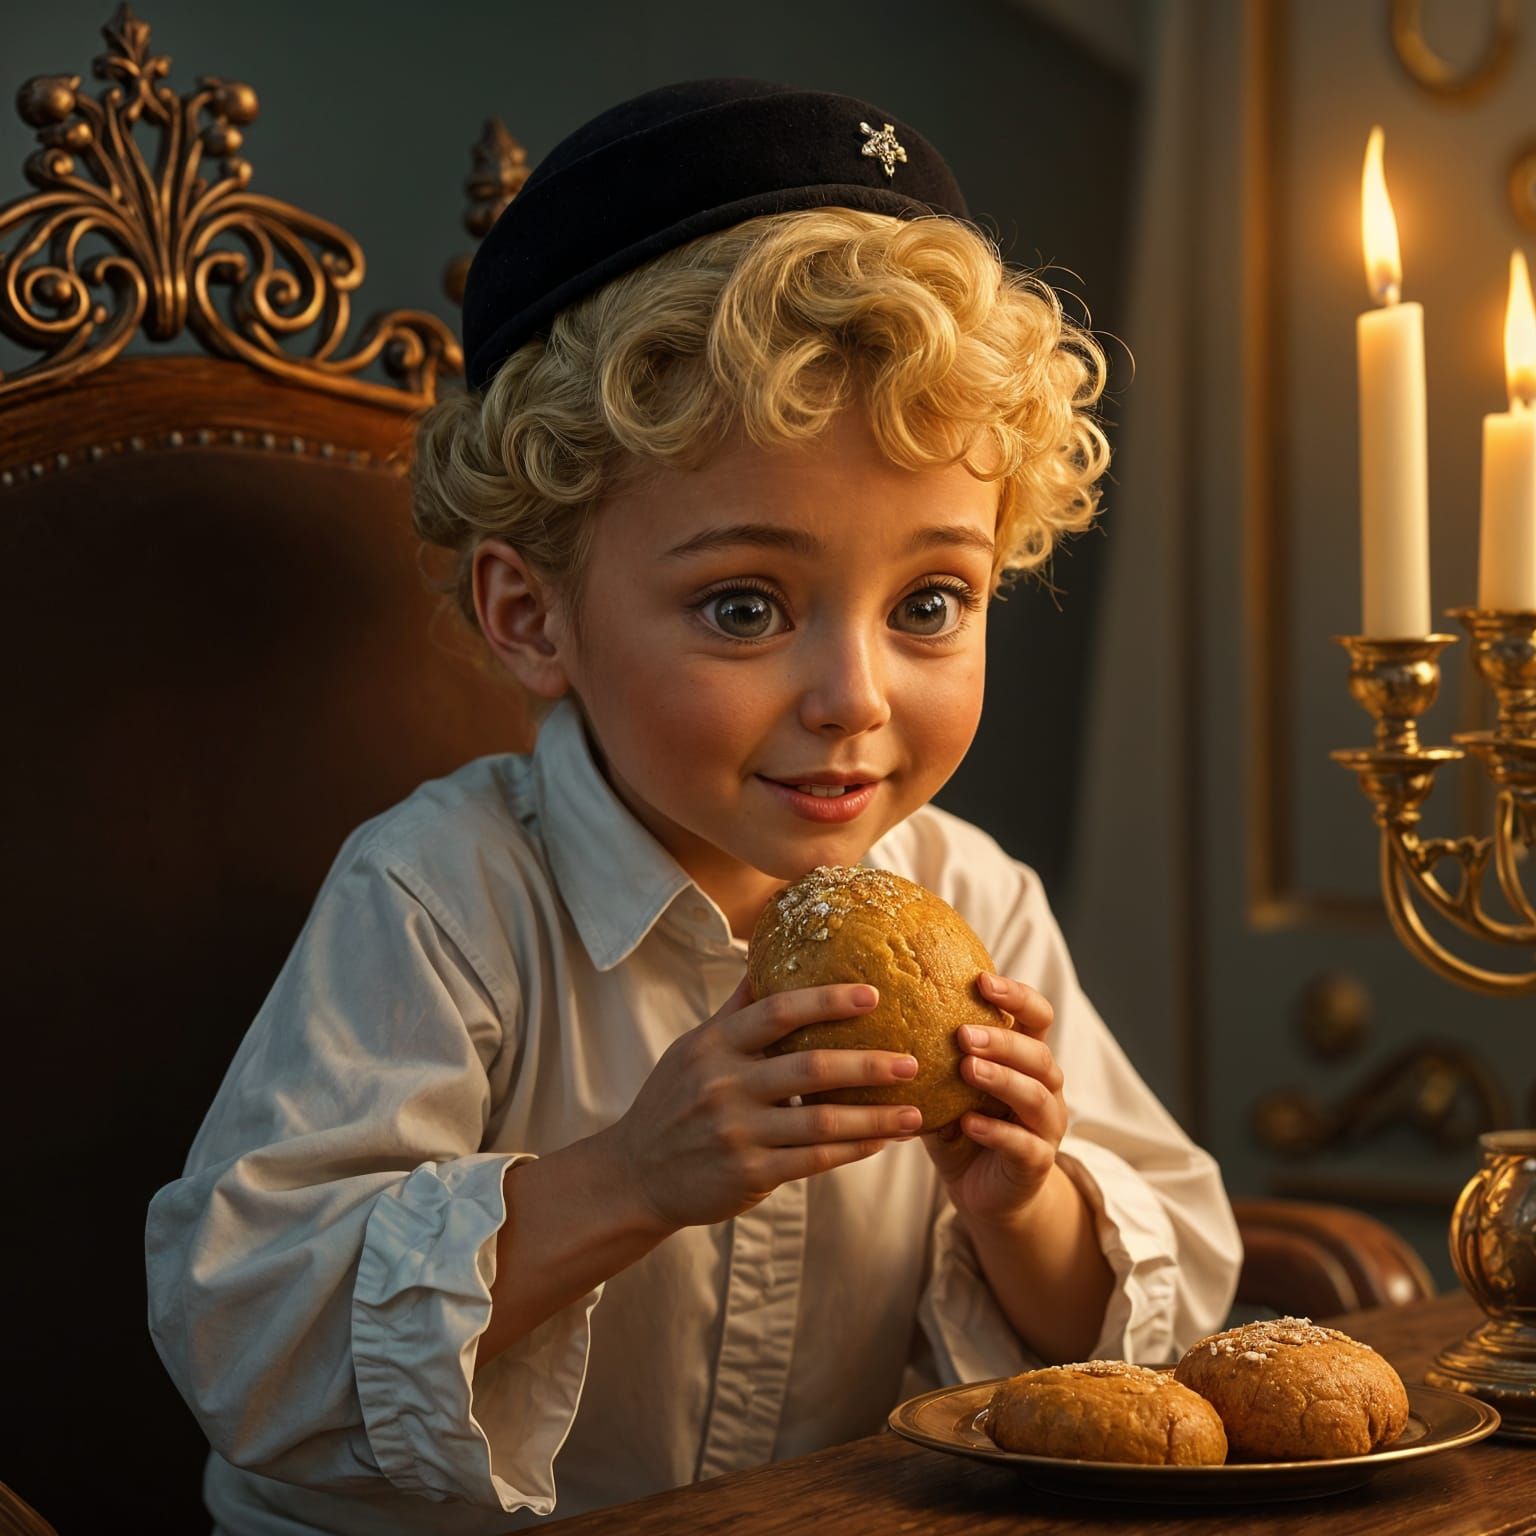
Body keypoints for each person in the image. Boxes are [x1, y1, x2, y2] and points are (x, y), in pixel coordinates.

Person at [146, 77, 1242, 1536]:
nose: (853, 697)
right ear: (531, 615)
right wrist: (629, 1177)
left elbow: (1154, 1328)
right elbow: (251, 1337)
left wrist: (1020, 1202)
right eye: (743, 606)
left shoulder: (976, 902)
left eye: (930, 602)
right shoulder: (441, 898)